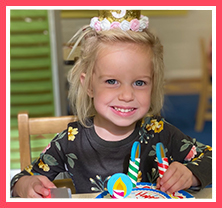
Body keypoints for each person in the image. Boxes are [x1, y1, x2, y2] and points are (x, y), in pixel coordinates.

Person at [11, 10, 212, 198]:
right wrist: (28, 185)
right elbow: (19, 180)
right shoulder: (70, 142)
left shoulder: (160, 133)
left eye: (139, 83)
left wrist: (190, 174)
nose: (126, 95)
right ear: (89, 85)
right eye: (111, 81)